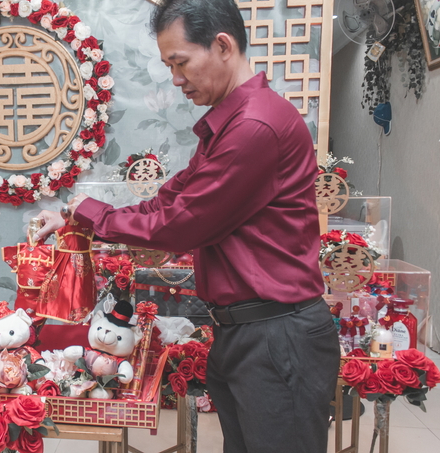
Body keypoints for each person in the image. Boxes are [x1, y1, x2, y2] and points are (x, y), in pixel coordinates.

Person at [35, 0, 340, 452]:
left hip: (276, 336)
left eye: (180, 63)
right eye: (168, 66)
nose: (175, 79)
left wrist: (93, 213)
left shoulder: (254, 127)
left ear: (222, 45)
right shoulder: (231, 123)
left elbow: (180, 225)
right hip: (250, 331)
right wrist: (77, 217)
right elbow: (170, 199)